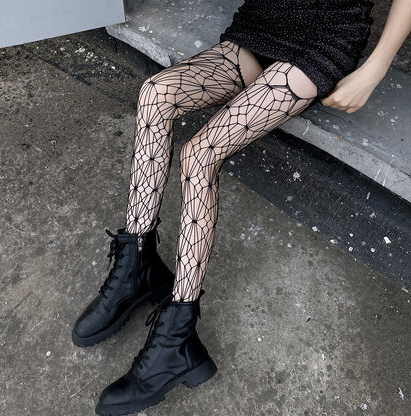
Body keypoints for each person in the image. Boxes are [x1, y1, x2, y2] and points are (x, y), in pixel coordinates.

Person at [72, 0, 411, 414]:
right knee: (155, 94)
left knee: (199, 156)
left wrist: (375, 69)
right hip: (260, 23)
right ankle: (136, 266)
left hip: (318, 42)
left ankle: (177, 338)